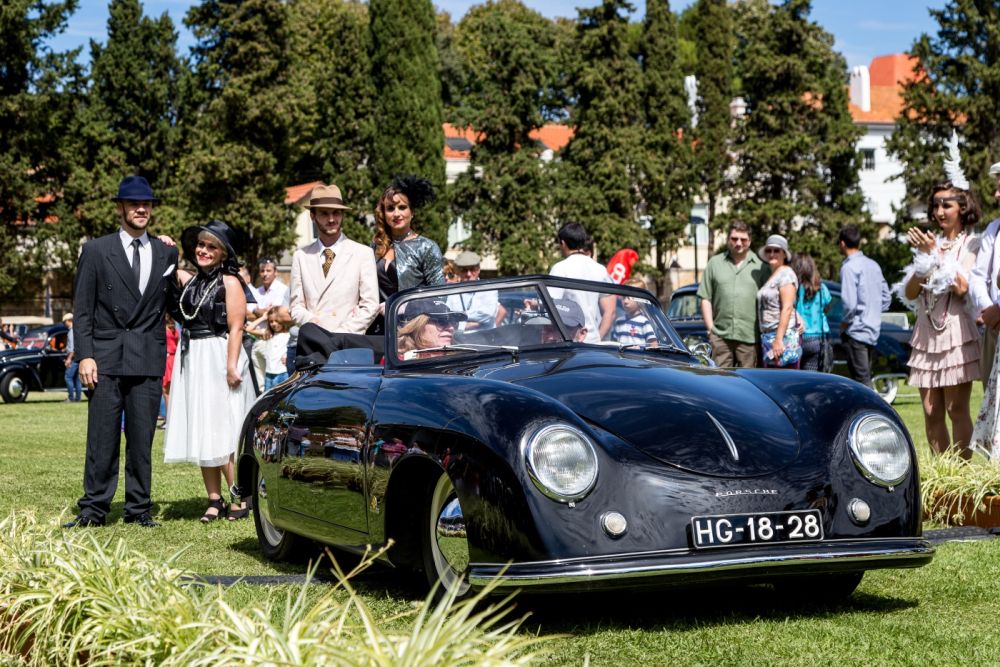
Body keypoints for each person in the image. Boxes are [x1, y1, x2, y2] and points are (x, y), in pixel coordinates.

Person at [65, 176, 178, 528]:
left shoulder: (166, 252)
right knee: (102, 438)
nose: (141, 209)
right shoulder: (97, 251)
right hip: (105, 357)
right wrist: (84, 354)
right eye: (134, 204)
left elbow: (173, 303)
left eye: (146, 204)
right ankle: (93, 510)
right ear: (121, 208)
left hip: (147, 355)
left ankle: (139, 509)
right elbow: (82, 309)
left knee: (142, 438)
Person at [163, 220, 256, 522]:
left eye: (211, 246)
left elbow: (236, 326)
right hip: (194, 357)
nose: (203, 250)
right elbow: (167, 268)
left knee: (222, 427)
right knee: (203, 426)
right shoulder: (191, 281)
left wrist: (231, 365)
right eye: (200, 245)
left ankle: (238, 496)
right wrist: (164, 245)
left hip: (218, 354)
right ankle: (214, 499)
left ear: (223, 254)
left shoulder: (230, 282)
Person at [902, 182, 980, 458]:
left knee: (955, 409)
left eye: (947, 204)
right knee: (930, 409)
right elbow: (910, 292)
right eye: (935, 204)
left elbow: (962, 287)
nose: (940, 210)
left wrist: (935, 254)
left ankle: (960, 474)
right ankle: (942, 472)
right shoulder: (929, 244)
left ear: (963, 206)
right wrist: (926, 258)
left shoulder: (973, 243)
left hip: (957, 332)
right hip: (925, 332)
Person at [289, 183, 379, 334]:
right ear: (313, 216)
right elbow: (295, 306)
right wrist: (311, 322)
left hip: (348, 343)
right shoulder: (301, 256)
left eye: (336, 213)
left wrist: (341, 333)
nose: (331, 219)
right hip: (314, 343)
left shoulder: (362, 253)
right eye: (324, 213)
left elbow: (370, 305)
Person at [369, 175, 445, 335]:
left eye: (402, 207)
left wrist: (403, 306)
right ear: (383, 213)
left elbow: (441, 296)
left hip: (412, 330)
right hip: (377, 330)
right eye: (390, 208)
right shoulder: (375, 247)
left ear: (412, 212)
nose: (396, 214)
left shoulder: (427, 247)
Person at [697, 221, 768, 368]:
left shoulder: (761, 267)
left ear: (750, 241)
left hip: (750, 337)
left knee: (748, 384)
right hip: (720, 337)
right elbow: (705, 297)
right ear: (728, 239)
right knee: (720, 383)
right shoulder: (714, 263)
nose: (739, 243)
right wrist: (711, 330)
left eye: (743, 239)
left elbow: (773, 299)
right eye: (734, 239)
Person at [838, 225, 892, 387]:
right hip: (873, 330)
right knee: (865, 375)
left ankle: (871, 412)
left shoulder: (848, 267)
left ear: (842, 244)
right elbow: (886, 298)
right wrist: (873, 311)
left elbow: (849, 304)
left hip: (856, 331)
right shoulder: (873, 265)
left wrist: (845, 323)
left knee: (861, 381)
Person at [549, 221, 615, 343]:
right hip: (594, 342)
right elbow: (610, 311)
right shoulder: (600, 269)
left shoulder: (560, 269)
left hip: (569, 342)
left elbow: (550, 306)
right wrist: (597, 338)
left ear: (563, 243)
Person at [969, 160, 1000, 382]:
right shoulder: (994, 229)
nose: (997, 194)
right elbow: (978, 276)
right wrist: (989, 309)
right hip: (994, 327)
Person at [757, 235, 800, 368]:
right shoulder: (773, 275)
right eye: (769, 250)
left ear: (784, 254)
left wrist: (778, 339)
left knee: (784, 382)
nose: (772, 254)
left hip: (781, 338)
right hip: (769, 337)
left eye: (776, 250)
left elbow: (787, 307)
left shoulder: (786, 274)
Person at [248, 257, 289, 388]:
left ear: (275, 272)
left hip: (275, 339)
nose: (265, 274)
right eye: (262, 271)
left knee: (276, 384)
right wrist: (260, 311)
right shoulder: (257, 291)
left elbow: (276, 314)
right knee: (262, 385)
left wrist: (257, 310)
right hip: (259, 337)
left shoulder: (282, 289)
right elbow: (247, 312)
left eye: (268, 270)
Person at [792, 254, 833, 372]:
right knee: (811, 380)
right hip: (818, 339)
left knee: (794, 379)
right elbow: (827, 306)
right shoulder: (821, 288)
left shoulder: (793, 288)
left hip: (797, 339)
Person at [446, 250, 504, 331]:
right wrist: (475, 322)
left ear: (479, 270)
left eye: (472, 269)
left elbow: (487, 315)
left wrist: (458, 318)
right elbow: (447, 319)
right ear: (458, 271)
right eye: (464, 270)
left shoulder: (489, 289)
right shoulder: (452, 292)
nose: (469, 274)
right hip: (459, 342)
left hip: (484, 340)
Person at [397, 298, 467, 359]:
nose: (451, 328)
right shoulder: (397, 365)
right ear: (417, 326)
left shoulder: (464, 359)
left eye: (453, 322)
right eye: (441, 321)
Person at [612, 277, 658, 347]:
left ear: (641, 299)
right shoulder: (618, 322)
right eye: (623, 297)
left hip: (638, 357)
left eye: (629, 297)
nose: (625, 301)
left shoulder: (644, 322)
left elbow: (653, 345)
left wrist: (641, 350)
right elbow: (613, 344)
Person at [263, 308, 291, 390]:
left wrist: (288, 357)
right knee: (267, 400)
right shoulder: (269, 335)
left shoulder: (288, 335)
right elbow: (248, 329)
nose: (274, 324)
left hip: (282, 373)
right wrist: (263, 317)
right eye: (271, 321)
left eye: (277, 321)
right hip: (269, 374)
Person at [160, 314, 179, 430]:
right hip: (173, 359)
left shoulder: (164, 329)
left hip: (167, 360)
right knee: (170, 391)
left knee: (166, 392)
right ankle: (171, 419)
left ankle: (169, 420)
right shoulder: (175, 329)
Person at [62, 312, 82, 402]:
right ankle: (78, 398)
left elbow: (73, 348)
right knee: (77, 379)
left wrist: (69, 359)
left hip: (73, 358)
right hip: (78, 357)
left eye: (64, 322)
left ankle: (71, 398)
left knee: (68, 377)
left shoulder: (71, 331)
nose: (64, 324)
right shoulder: (77, 330)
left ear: (69, 321)